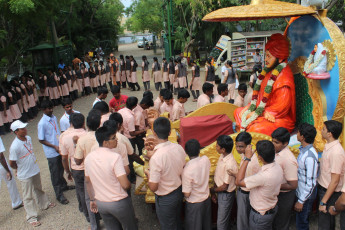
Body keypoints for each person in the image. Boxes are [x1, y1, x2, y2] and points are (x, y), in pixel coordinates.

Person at [234, 33, 296, 136]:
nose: (265, 59)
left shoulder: (284, 76)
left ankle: (246, 133)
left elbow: (281, 108)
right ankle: (243, 132)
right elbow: (259, 99)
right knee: (237, 111)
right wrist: (250, 107)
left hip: (278, 117)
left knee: (256, 129)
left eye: (268, 56)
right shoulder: (268, 72)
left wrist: (258, 113)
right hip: (263, 111)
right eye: (265, 55)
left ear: (280, 58)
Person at [85, 125, 138, 230]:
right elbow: (125, 185)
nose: (116, 139)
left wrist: (92, 199)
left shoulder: (89, 158)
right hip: (118, 202)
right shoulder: (115, 157)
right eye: (113, 138)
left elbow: (88, 181)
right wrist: (128, 182)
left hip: (101, 203)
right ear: (105, 142)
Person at [9, 120, 55, 227]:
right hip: (25, 174)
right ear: (16, 132)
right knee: (28, 196)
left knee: (38, 188)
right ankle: (31, 217)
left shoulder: (28, 138)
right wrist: (18, 168)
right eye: (22, 129)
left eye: (25, 127)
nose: (25, 130)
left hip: (34, 169)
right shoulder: (14, 146)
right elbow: (12, 162)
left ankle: (44, 204)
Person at [145, 117, 186, 229]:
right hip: (178, 191)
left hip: (166, 197)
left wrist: (148, 174)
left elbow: (153, 187)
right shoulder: (178, 148)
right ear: (169, 132)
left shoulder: (156, 157)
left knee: (168, 225)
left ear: (153, 132)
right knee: (177, 220)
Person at [236, 140, 284, 230]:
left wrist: (247, 158)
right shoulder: (277, 166)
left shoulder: (263, 176)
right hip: (270, 209)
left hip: (260, 215)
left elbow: (238, 181)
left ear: (260, 157)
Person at [37, 100, 72, 205]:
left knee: (61, 168)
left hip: (59, 148)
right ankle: (59, 194)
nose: (51, 110)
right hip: (51, 151)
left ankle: (64, 185)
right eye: (48, 109)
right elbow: (41, 139)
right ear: (43, 110)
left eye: (51, 108)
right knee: (55, 173)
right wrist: (53, 146)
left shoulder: (54, 118)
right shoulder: (42, 123)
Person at [74, 109, 102, 230]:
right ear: (99, 124)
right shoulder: (101, 137)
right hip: (102, 171)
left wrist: (75, 145)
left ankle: (95, 225)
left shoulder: (82, 139)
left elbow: (78, 160)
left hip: (89, 173)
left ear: (86, 124)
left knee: (89, 198)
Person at [60, 113, 89, 222]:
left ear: (71, 123)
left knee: (81, 191)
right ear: (83, 122)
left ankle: (85, 212)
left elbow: (64, 158)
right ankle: (96, 213)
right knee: (92, 190)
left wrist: (67, 171)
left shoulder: (64, 136)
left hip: (76, 169)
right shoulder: (88, 135)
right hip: (89, 167)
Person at [318, 120, 345, 230]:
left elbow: (335, 180)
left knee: (325, 224)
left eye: (324, 129)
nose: (321, 131)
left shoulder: (336, 152)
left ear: (330, 134)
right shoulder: (329, 146)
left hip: (329, 192)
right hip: (324, 189)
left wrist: (323, 201)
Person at [271, 127, 298, 230]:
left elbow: (293, 185)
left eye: (276, 142)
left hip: (285, 196)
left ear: (285, 143)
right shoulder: (277, 152)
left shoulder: (288, 159)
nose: (273, 144)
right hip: (277, 192)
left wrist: (273, 184)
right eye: (272, 141)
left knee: (281, 223)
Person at [182, 139, 212, 230]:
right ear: (199, 150)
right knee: (206, 225)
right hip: (206, 199)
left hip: (194, 203)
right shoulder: (205, 159)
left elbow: (187, 194)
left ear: (186, 152)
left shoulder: (187, 170)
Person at [294, 123, 318, 230]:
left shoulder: (309, 156)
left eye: (298, 132)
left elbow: (311, 182)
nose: (296, 134)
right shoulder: (303, 150)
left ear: (303, 136)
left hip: (305, 196)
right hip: (301, 193)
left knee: (302, 223)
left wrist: (301, 201)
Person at [211, 135, 238, 230]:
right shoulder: (222, 156)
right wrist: (214, 191)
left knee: (221, 222)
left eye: (217, 146)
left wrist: (212, 190)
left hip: (225, 195)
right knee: (223, 219)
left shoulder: (230, 163)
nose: (216, 147)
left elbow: (224, 187)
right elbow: (218, 175)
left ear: (223, 149)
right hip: (220, 192)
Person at [235, 132, 261, 230]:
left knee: (243, 219)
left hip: (246, 193)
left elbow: (243, 181)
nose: (238, 149)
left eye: (241, 147)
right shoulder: (246, 155)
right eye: (236, 146)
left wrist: (236, 176)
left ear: (248, 146)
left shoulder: (251, 162)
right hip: (245, 192)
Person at [0, 135, 23, 210]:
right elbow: (1, 157)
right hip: (1, 166)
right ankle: (16, 202)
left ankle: (16, 202)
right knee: (10, 181)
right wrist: (8, 170)